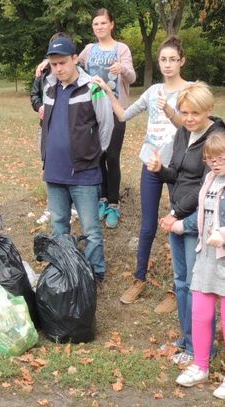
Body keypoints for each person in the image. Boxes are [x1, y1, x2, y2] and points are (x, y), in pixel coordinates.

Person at [92, 35, 189, 307]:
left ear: (182, 61)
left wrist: (171, 111)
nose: (167, 64)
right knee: (147, 226)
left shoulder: (191, 89)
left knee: (178, 225)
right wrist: (108, 89)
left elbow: (192, 125)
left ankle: (176, 287)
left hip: (179, 168)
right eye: (163, 59)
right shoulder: (153, 91)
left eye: (173, 59)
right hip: (151, 165)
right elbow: (123, 115)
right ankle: (139, 279)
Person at [147, 81, 225, 364]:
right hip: (177, 212)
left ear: (208, 110)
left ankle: (200, 348)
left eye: (194, 113)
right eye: (184, 112)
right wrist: (159, 170)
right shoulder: (183, 132)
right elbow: (177, 175)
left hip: (196, 218)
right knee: (180, 282)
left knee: (196, 285)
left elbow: (205, 184)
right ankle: (186, 339)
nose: (188, 118)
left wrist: (177, 214)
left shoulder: (216, 138)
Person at [39, 36, 113, 282]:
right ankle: (65, 271)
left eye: (62, 63)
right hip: (54, 172)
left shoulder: (92, 87)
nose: (58, 69)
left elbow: (106, 125)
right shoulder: (49, 87)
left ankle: (95, 274)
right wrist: (45, 158)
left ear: (74, 59)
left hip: (84, 172)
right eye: (53, 64)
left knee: (91, 229)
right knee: (59, 225)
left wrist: (90, 154)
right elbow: (45, 126)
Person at [172, 131, 225, 399]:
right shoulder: (210, 180)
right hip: (206, 258)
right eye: (210, 158)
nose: (215, 162)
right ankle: (200, 366)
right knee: (201, 313)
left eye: (221, 157)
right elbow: (202, 213)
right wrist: (181, 223)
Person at [77, 8, 136, 228]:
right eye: (96, 24)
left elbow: (132, 76)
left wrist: (122, 69)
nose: (99, 27)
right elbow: (72, 63)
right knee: (98, 156)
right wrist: (47, 63)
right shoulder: (89, 49)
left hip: (116, 110)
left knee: (112, 156)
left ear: (111, 24)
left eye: (103, 23)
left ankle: (113, 204)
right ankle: (102, 199)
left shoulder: (121, 49)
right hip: (93, 110)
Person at [31, 32, 78, 226]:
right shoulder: (42, 74)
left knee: (73, 166)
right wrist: (39, 106)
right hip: (47, 128)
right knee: (48, 165)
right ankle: (53, 206)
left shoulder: (76, 72)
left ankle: (74, 207)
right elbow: (34, 95)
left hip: (70, 132)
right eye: (52, 59)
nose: (57, 65)